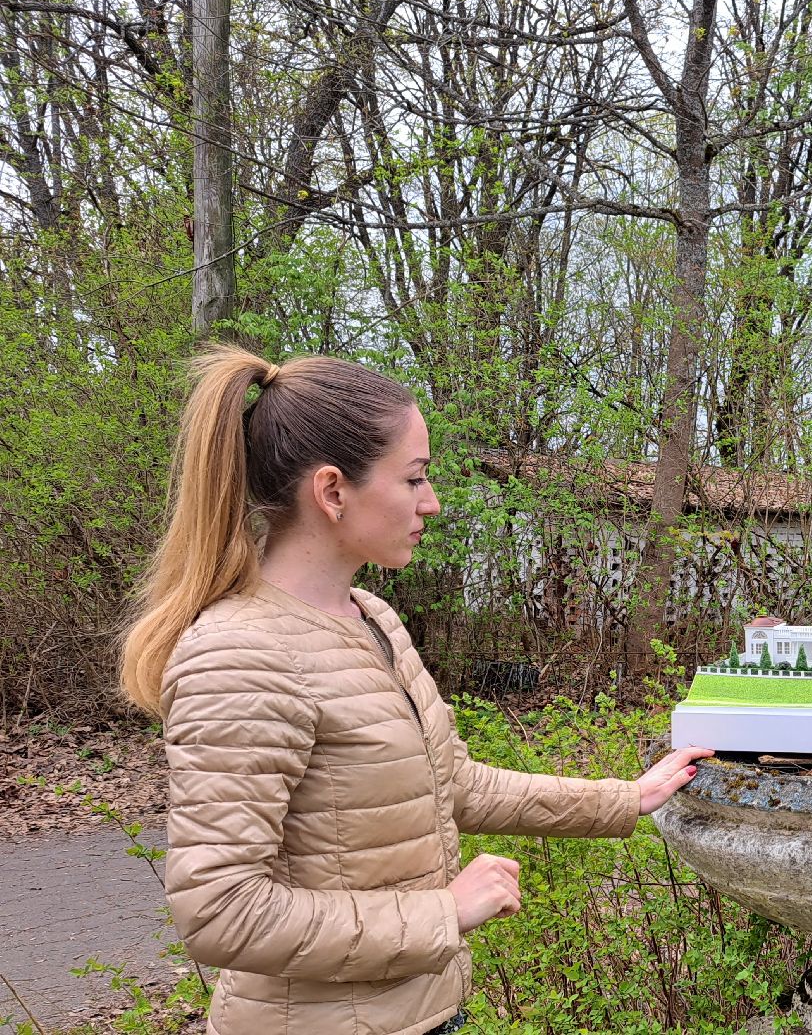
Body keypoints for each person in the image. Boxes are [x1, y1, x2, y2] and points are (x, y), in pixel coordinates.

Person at [120, 346, 711, 1035]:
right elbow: (221, 913)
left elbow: (449, 782)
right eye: (414, 479)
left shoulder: (373, 618)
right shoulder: (239, 656)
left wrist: (626, 798)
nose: (430, 501)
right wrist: (444, 913)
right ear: (333, 490)